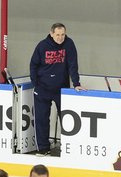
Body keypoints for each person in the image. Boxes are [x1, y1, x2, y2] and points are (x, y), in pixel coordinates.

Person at [29, 23, 85, 155]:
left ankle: (67, 147)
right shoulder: (42, 46)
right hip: (42, 88)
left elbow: (73, 65)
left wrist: (76, 83)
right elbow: (33, 65)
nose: (60, 38)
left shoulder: (69, 44)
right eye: (58, 34)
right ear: (51, 33)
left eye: (63, 34)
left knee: (65, 119)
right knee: (41, 119)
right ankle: (43, 148)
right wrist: (35, 83)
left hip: (61, 89)